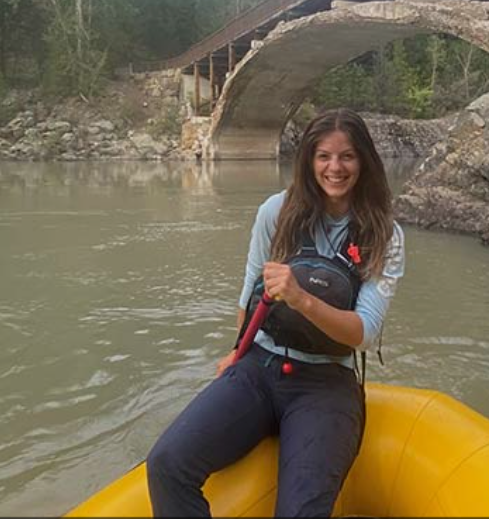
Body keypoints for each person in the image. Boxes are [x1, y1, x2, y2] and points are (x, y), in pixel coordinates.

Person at [146, 107, 405, 517]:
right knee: (167, 465)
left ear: (364, 161)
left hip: (326, 382)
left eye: (347, 156)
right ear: (308, 161)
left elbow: (365, 333)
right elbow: (250, 290)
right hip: (259, 367)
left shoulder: (384, 234)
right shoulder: (275, 211)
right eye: (323, 156)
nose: (334, 167)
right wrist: (237, 352)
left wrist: (303, 299)